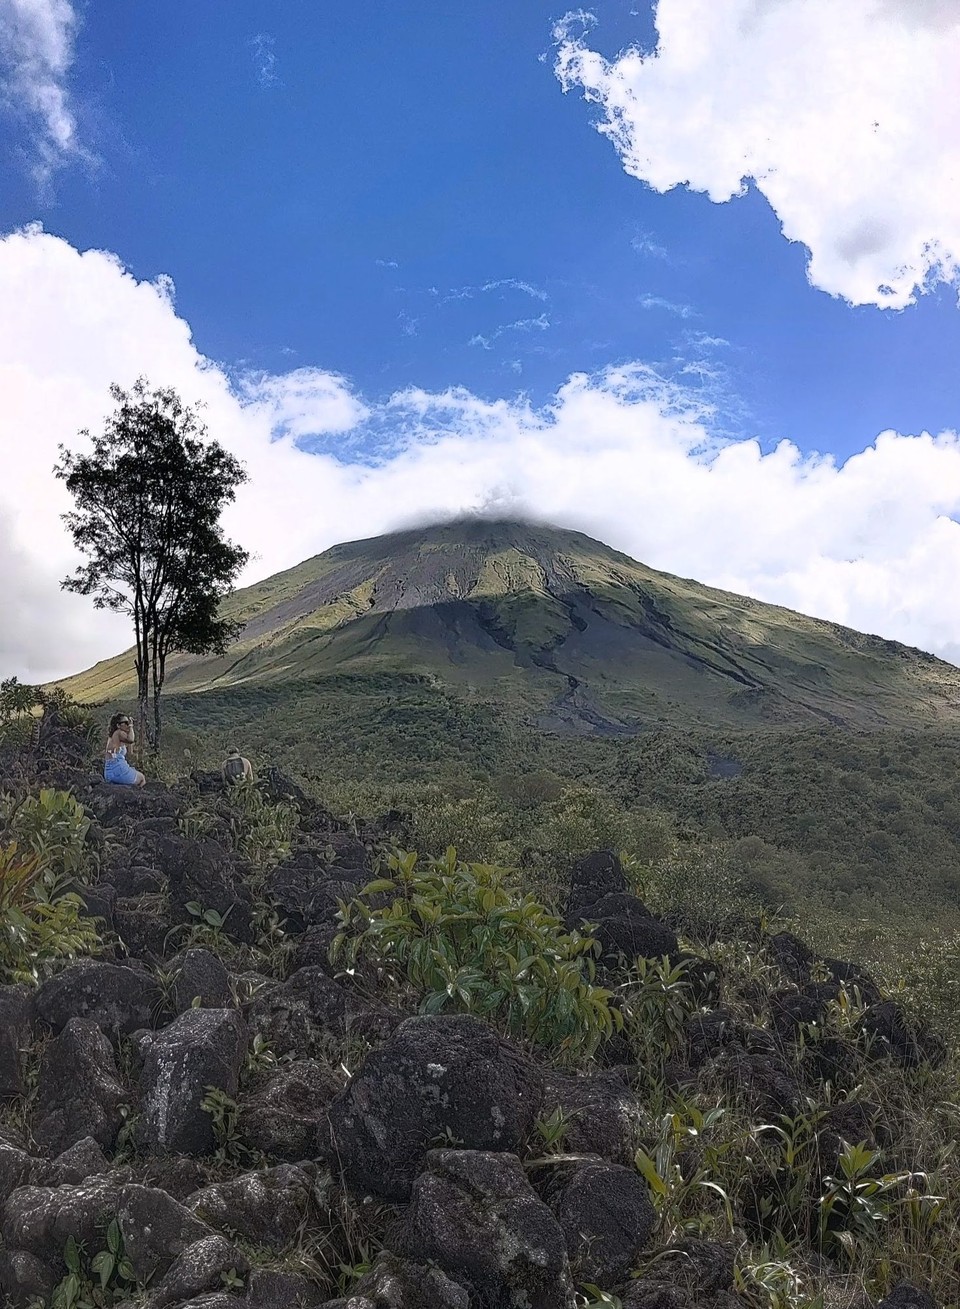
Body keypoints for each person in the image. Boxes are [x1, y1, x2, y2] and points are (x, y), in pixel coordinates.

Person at [104, 712, 146, 787]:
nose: (128, 725)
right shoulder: (118, 733)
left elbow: (130, 753)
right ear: (118, 725)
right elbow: (131, 739)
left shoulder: (113, 737)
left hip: (109, 772)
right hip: (118, 769)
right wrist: (131, 726)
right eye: (126, 723)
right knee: (142, 778)